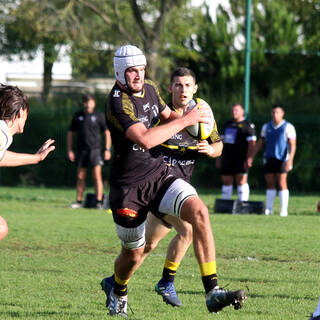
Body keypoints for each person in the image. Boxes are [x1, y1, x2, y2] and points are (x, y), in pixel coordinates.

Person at [100, 45, 246, 317]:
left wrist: (196, 125)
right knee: (134, 253)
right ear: (120, 72)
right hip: (128, 188)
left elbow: (170, 117)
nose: (138, 75)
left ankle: (212, 291)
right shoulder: (118, 102)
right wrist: (187, 120)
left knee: (199, 213)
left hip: (158, 174)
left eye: (142, 69)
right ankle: (118, 288)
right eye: (132, 70)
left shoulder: (152, 88)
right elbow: (146, 139)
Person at [143, 67, 223, 307]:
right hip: (159, 187)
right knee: (188, 230)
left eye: (188, 85)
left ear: (195, 88)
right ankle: (168, 282)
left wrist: (210, 150)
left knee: (145, 246)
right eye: (178, 85)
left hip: (180, 189)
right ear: (170, 88)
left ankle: (116, 282)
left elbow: (218, 145)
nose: (183, 89)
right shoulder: (160, 114)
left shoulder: (203, 113)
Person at [0, 83, 55, 241]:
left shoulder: (3, 134)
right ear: (21, 112)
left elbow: (2, 157)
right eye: (27, 114)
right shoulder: (2, 133)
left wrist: (36, 158)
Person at [247, 104, 296, 216]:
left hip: (282, 159)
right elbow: (260, 142)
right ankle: (269, 209)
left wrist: (290, 160)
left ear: (282, 114)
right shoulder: (266, 127)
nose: (275, 115)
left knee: (282, 182)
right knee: (269, 183)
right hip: (269, 158)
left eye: (277, 112)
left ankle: (284, 210)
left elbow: (293, 145)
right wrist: (251, 156)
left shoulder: (288, 127)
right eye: (273, 112)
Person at [67, 94, 111, 209]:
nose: (88, 104)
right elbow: (70, 133)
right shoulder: (78, 116)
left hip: (95, 150)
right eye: (86, 102)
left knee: (97, 176)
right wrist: (70, 150)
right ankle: (79, 201)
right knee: (80, 176)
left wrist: (107, 149)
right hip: (81, 151)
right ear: (83, 103)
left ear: (94, 103)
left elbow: (107, 133)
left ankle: (99, 201)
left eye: (90, 102)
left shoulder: (99, 116)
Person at [216, 103, 256, 201]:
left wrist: (249, 158)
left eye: (236, 110)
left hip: (241, 158)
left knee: (241, 181)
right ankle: (226, 204)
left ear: (242, 112)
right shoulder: (227, 124)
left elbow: (252, 143)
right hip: (227, 157)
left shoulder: (248, 125)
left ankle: (243, 204)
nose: (234, 112)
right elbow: (221, 142)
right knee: (226, 180)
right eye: (233, 110)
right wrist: (218, 157)